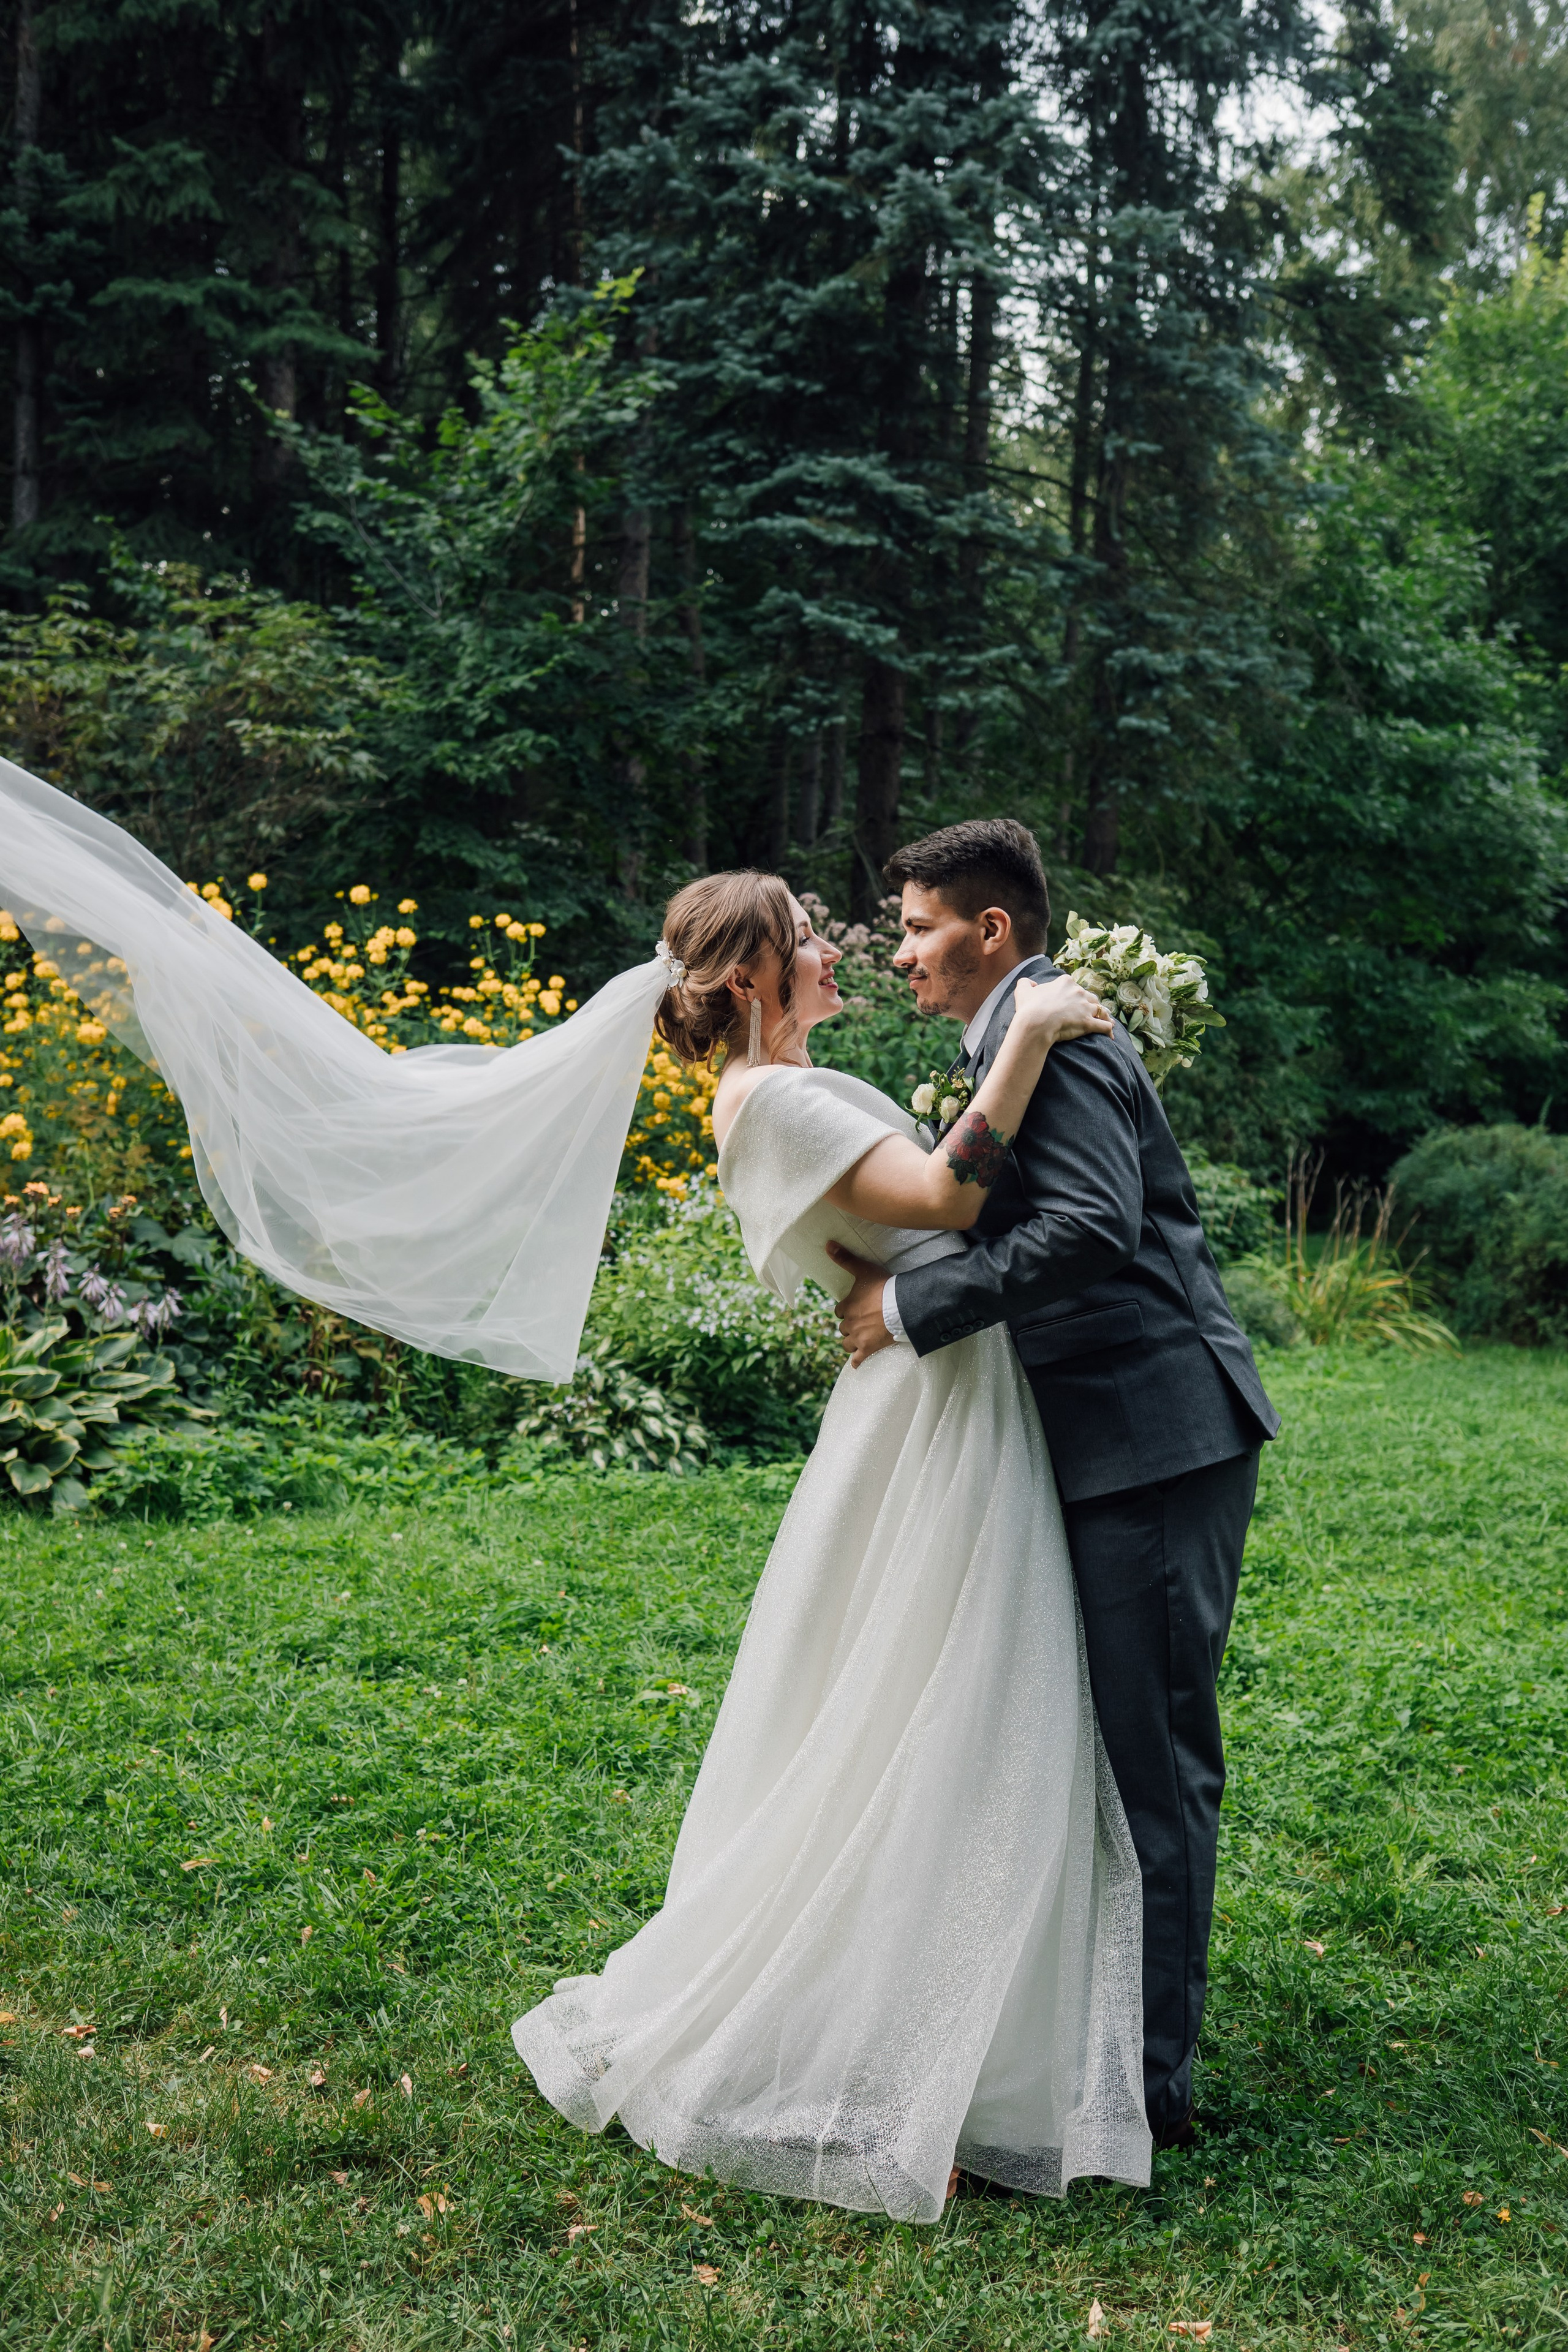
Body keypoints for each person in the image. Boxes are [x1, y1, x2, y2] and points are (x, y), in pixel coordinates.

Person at [510, 870, 1153, 2219]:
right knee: (937, 1712)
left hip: (940, 1402)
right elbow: (945, 1198)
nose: (831, 946)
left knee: (940, 1712)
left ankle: (958, 2036)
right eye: (803, 937)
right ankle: (882, 2040)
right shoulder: (767, 1098)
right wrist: (1029, 1032)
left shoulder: (793, 1084)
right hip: (928, 1421)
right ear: (747, 976)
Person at [828, 819, 1280, 2149]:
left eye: (915, 927)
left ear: (992, 932)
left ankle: (1148, 2085)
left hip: (1151, 1436)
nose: (899, 950)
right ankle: (1093, 2040)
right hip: (1107, 1435)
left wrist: (914, 1304)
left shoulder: (1058, 1036)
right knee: (1097, 1745)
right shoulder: (1015, 1030)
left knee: (1151, 1761)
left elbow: (1090, 1226)